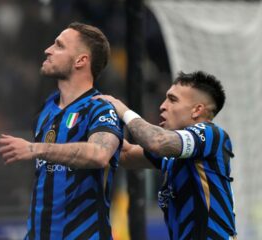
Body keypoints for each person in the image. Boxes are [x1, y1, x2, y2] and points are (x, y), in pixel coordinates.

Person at [0, 22, 124, 239]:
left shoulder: (100, 108)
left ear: (81, 60)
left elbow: (100, 154)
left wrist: (35, 149)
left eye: (59, 46)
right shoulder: (47, 109)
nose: (48, 50)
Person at [94, 71, 237, 239]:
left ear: (197, 110)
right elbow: (126, 154)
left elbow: (156, 141)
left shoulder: (211, 134)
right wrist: (96, 125)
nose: (163, 105)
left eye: (173, 99)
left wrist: (123, 111)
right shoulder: (175, 154)